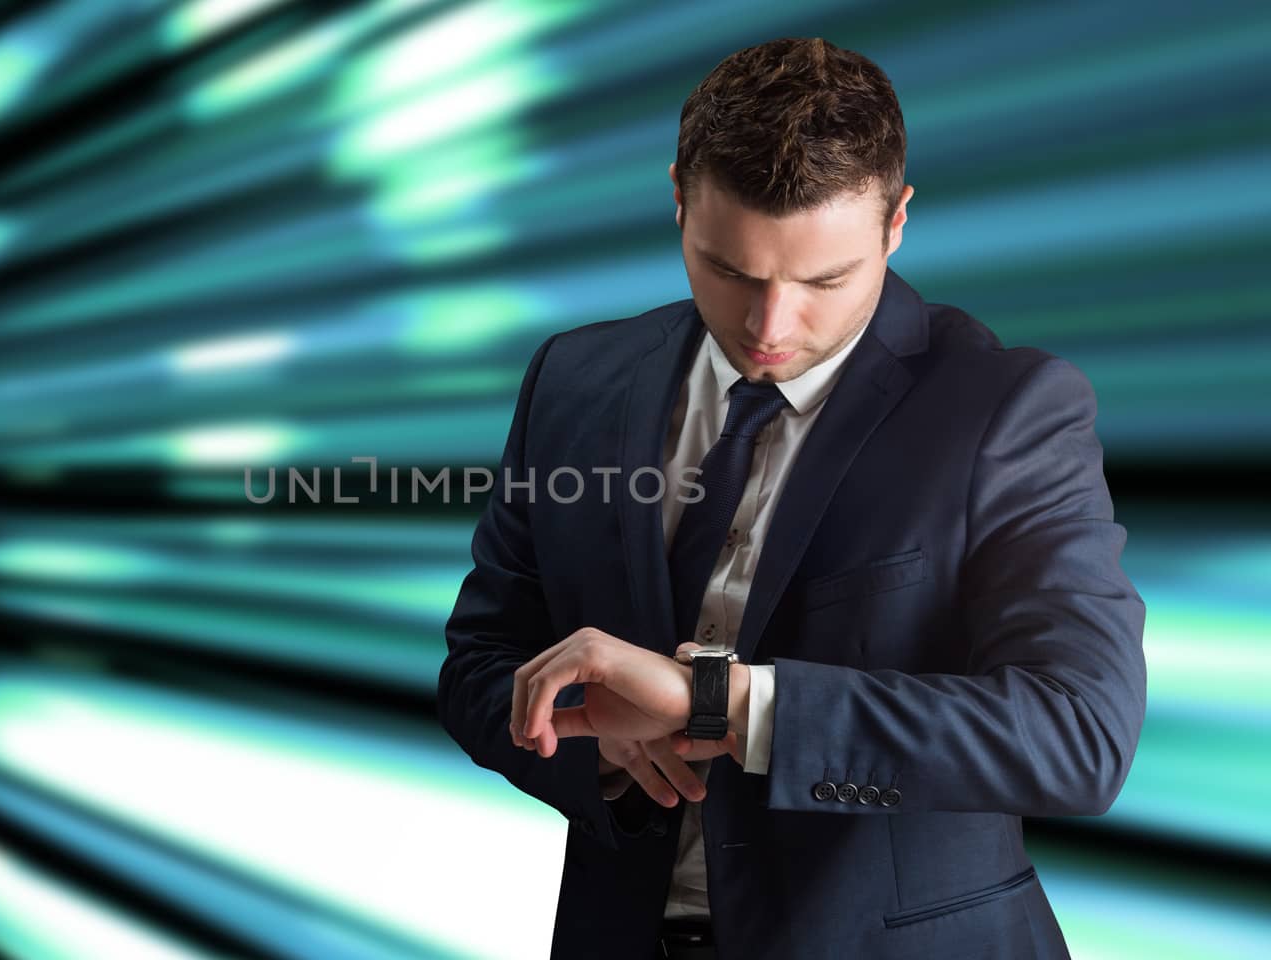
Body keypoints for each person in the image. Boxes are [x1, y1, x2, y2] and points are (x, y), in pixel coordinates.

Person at [436, 36, 1146, 960]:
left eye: (824, 280)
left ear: (896, 223)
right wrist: (595, 747)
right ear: (678, 199)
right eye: (728, 270)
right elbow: (482, 663)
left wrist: (716, 704)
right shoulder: (574, 378)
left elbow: (1079, 736)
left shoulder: (1006, 410)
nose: (770, 325)